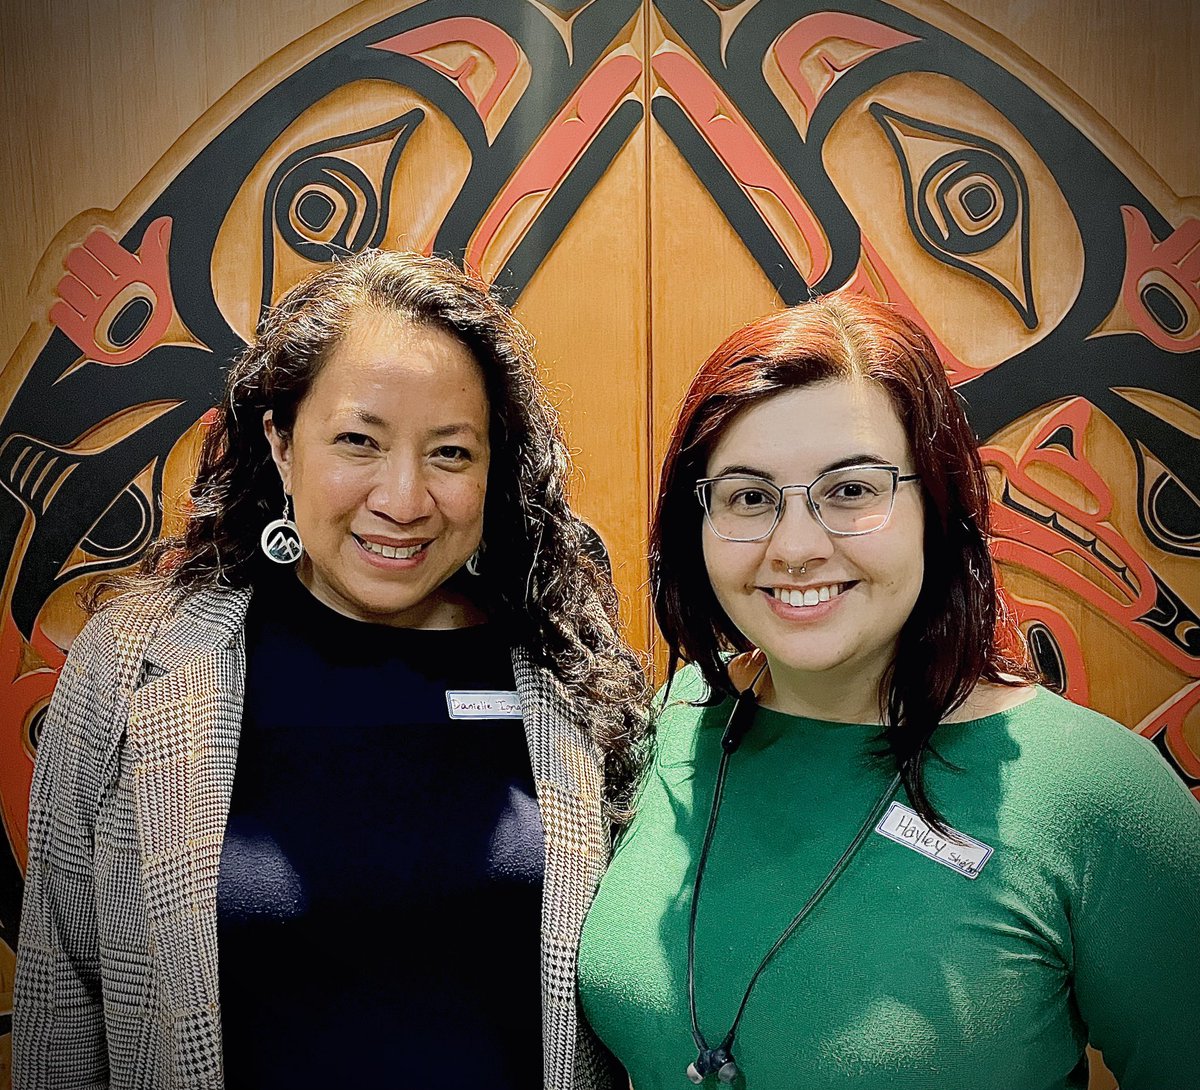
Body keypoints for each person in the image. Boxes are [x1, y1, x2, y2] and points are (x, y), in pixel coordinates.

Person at [14, 250, 645, 1090]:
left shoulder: (570, 670)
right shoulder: (133, 665)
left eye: (451, 454)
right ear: (280, 442)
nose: (404, 498)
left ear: (495, 468)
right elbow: (63, 998)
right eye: (358, 441)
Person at [577, 293, 1200, 1089]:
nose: (795, 546)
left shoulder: (1095, 796)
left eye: (851, 491)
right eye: (748, 496)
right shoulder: (663, 728)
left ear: (936, 507)